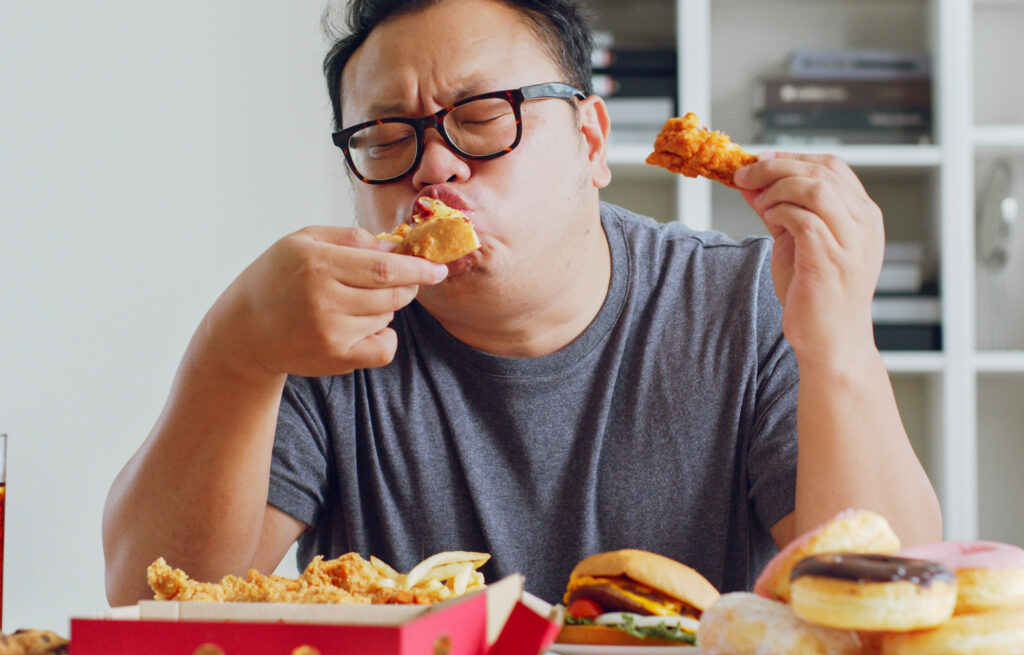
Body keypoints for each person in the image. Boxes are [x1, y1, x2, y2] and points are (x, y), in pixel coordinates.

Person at [102, 0, 942, 606]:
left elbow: (891, 598)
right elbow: (150, 602)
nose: (435, 169)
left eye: (481, 117)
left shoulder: (745, 300)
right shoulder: (326, 327)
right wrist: (234, 350)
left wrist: (837, 344)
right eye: (387, 140)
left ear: (590, 142)